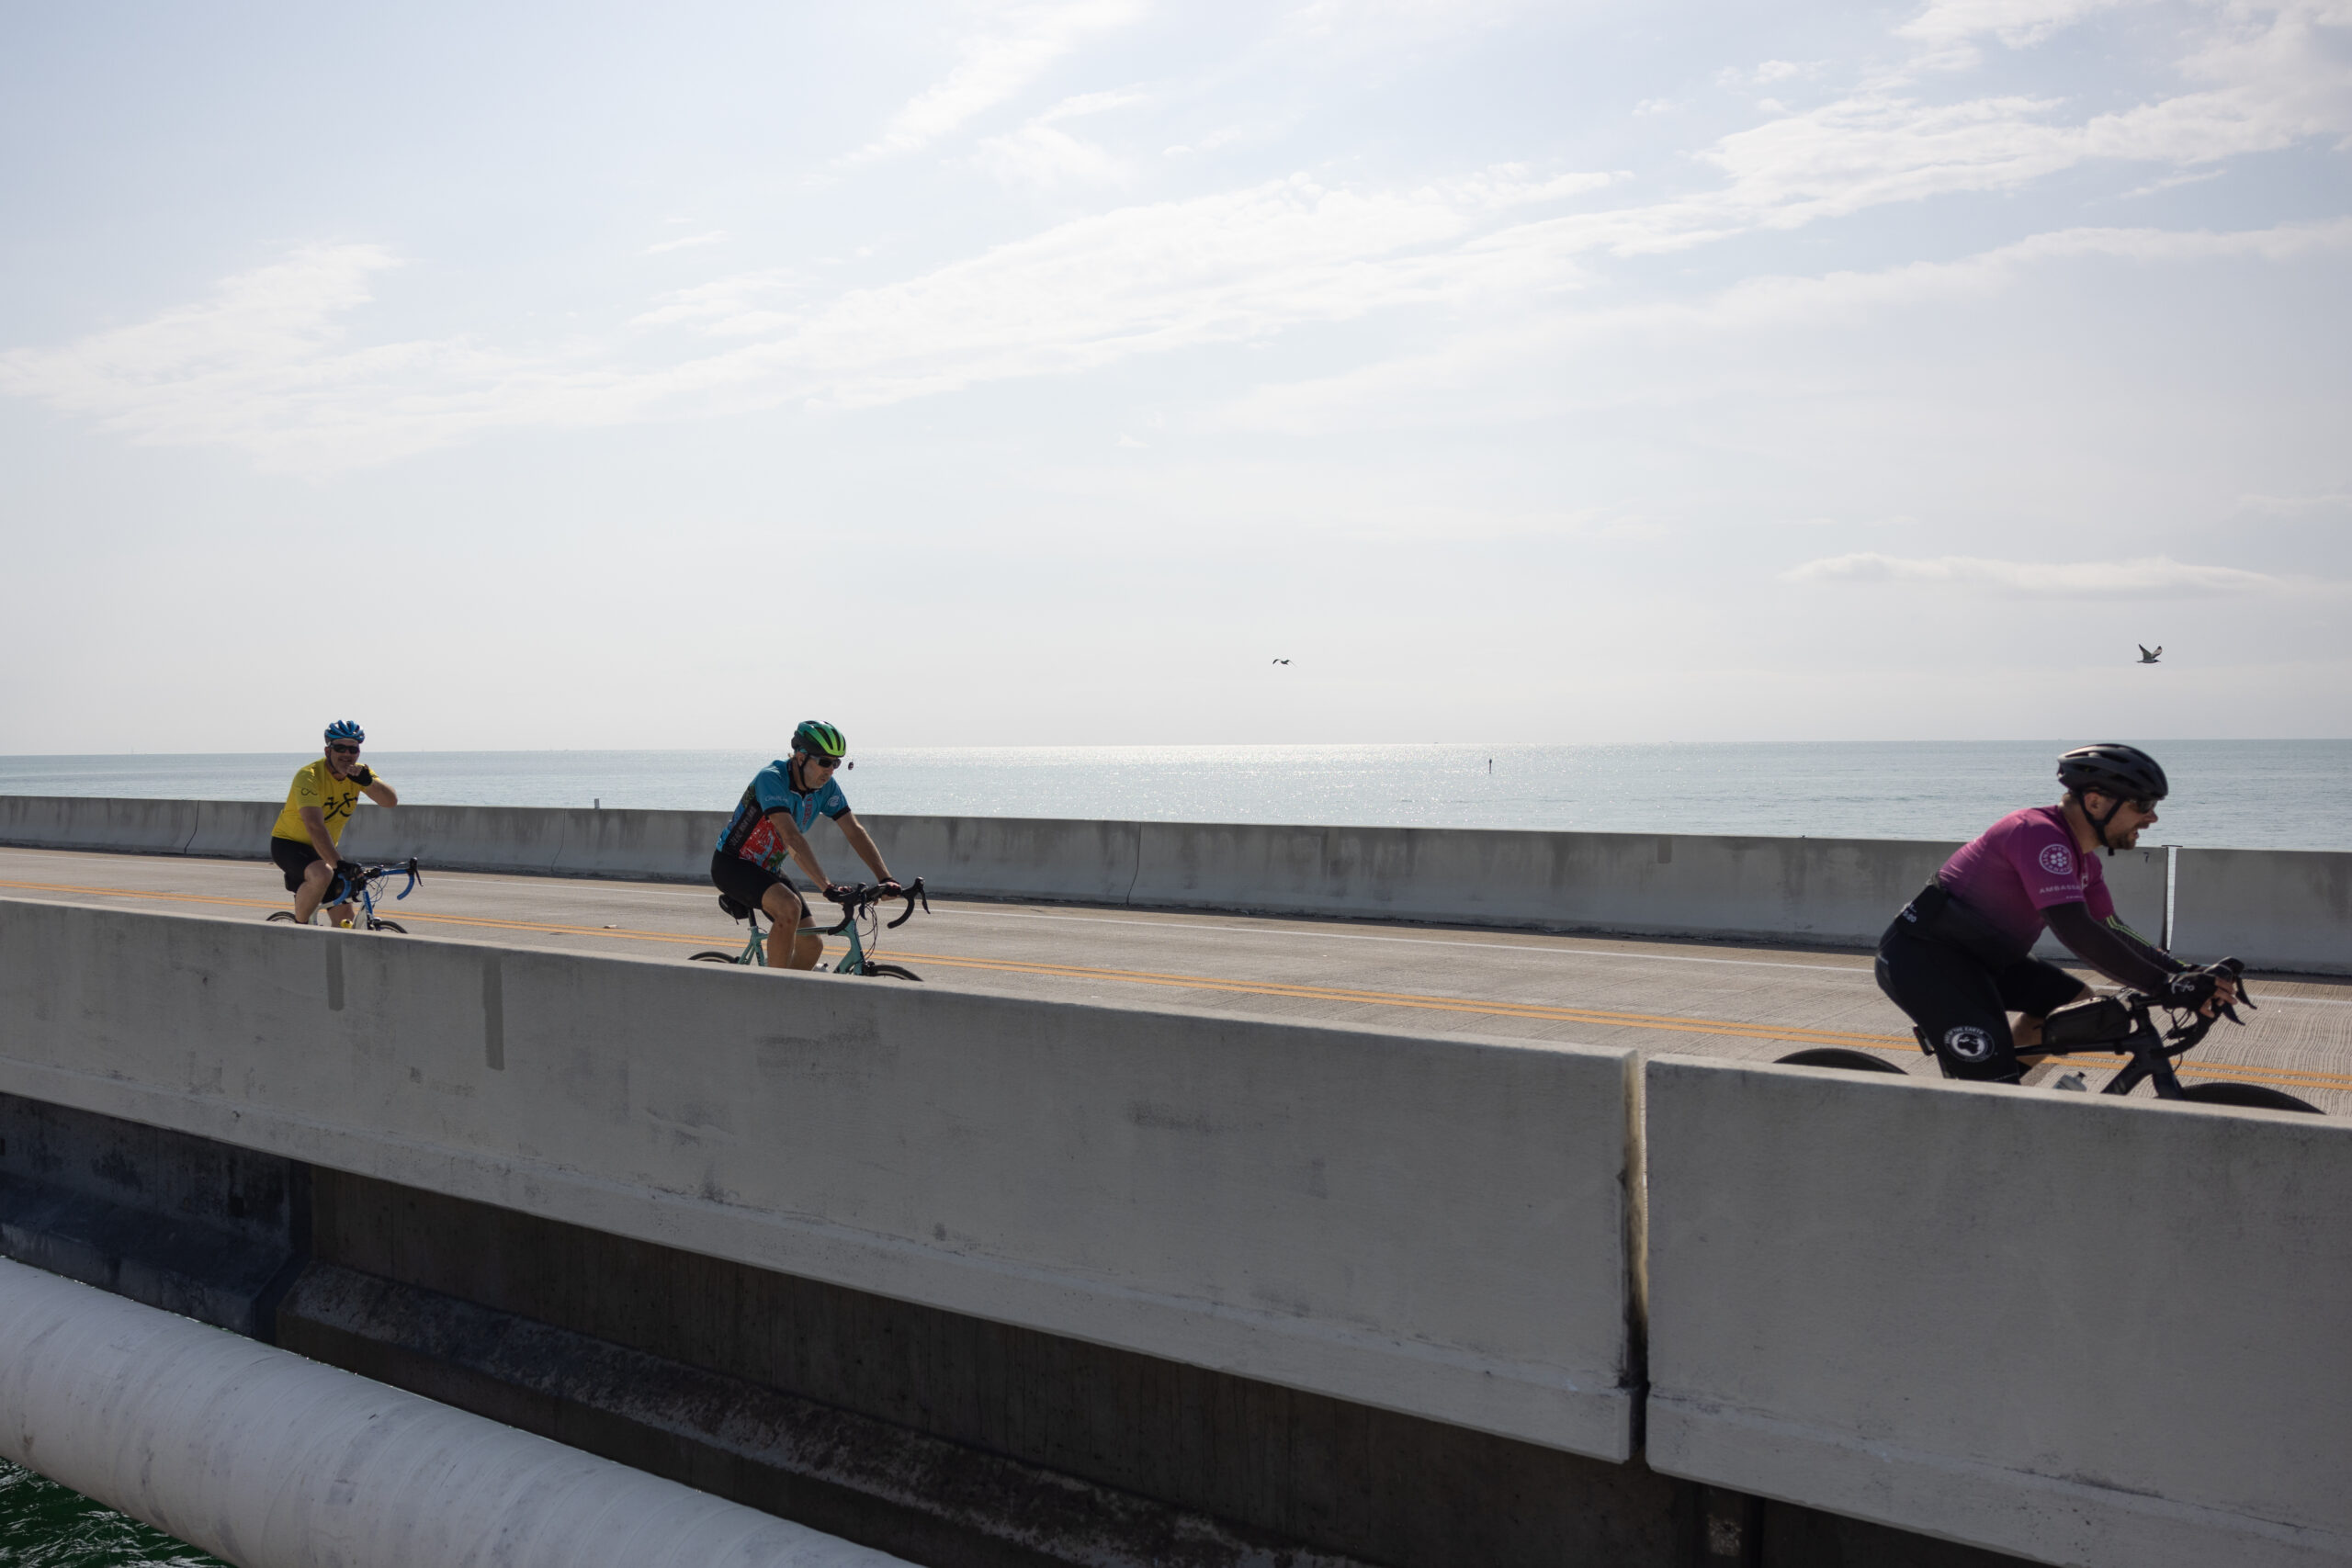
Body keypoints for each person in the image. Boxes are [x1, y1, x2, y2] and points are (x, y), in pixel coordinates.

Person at [1874, 743, 2235, 1084]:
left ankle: (1994, 1090)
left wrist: (2183, 972)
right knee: (1989, 1094)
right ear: (2095, 802)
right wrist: (2163, 985)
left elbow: (2111, 928)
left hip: (1982, 959)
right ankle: (1988, 1096)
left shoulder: (2085, 863)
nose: (2152, 817)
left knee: (2074, 1002)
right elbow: (2074, 927)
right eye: (2143, 804)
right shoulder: (2036, 834)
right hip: (1925, 960)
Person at [711, 720, 898, 970]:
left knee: (812, 945)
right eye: (824, 762)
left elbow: (854, 831)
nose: (830, 770)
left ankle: (790, 992)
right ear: (800, 757)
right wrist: (827, 887)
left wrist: (885, 878)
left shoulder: (826, 788)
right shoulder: (772, 779)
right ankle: (771, 987)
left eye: (836, 763)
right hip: (732, 864)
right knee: (789, 908)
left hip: (768, 869)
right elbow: (791, 837)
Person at [269, 720, 399, 925]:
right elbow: (314, 825)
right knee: (322, 874)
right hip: (290, 844)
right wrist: (339, 864)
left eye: (353, 749)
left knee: (345, 917)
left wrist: (369, 782)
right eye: (340, 748)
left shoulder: (359, 774)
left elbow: (390, 801)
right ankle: (298, 932)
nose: (347, 754)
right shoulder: (309, 776)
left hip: (324, 848)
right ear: (328, 751)